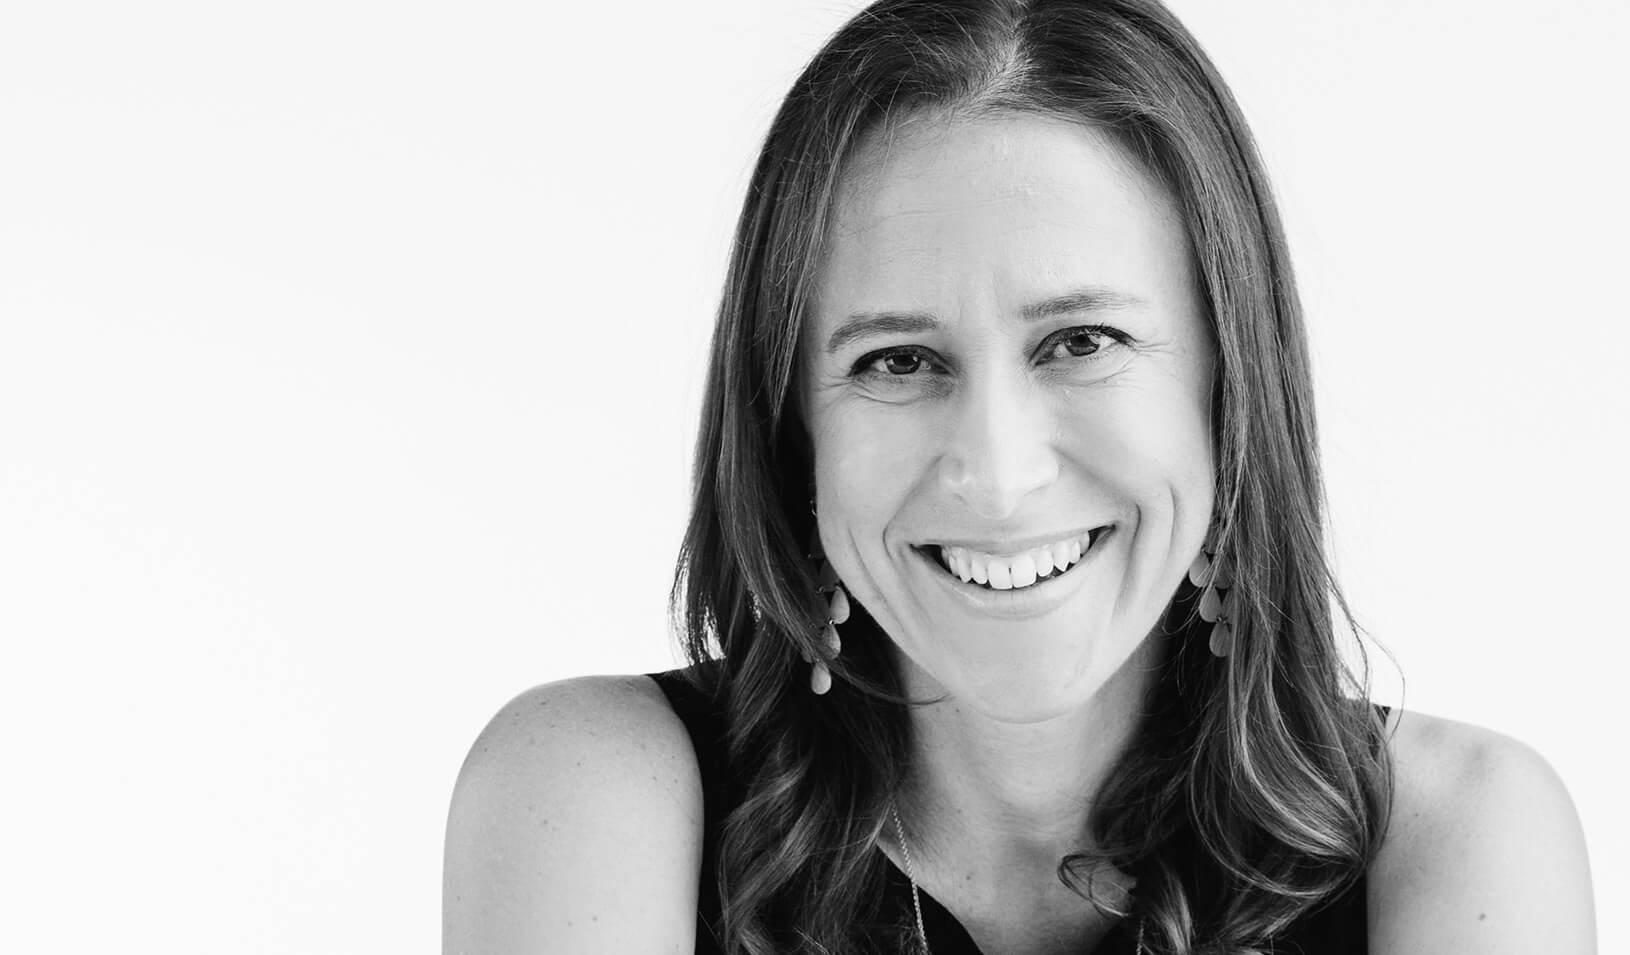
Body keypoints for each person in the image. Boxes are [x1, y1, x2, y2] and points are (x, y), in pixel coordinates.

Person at [441, 0, 1596, 952]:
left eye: (1081, 342)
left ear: (1228, 385)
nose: (996, 474)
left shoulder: (1458, 833)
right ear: (791, 427)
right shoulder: (595, 787)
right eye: (898, 360)